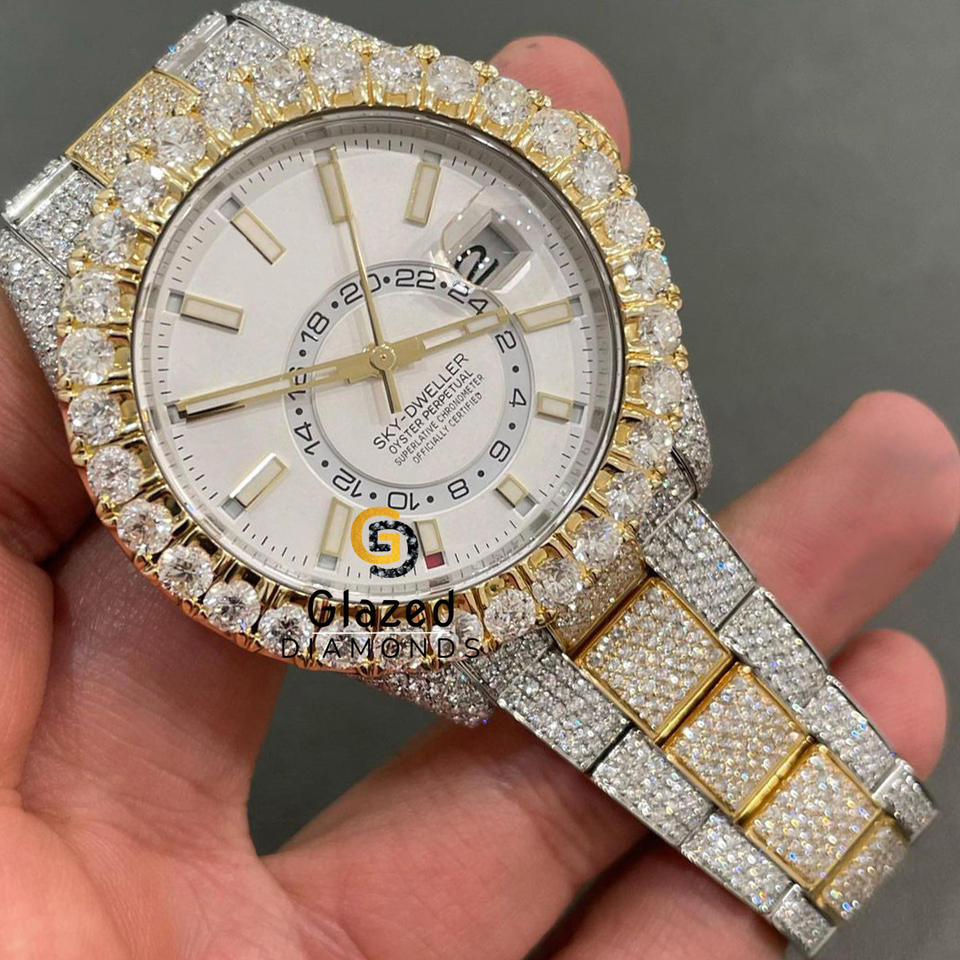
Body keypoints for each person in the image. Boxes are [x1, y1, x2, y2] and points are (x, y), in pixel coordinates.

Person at [0, 36, 953, 960]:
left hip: (596, 464)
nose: (379, 362)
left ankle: (850, 829)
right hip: (438, 586)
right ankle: (839, 847)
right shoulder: (82, 300)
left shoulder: (285, 64)